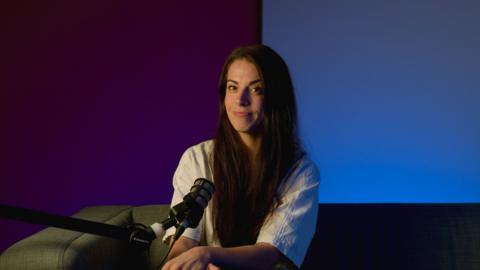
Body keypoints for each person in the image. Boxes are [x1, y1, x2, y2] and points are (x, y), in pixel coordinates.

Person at [161, 45, 319, 270]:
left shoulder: (300, 171)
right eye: (232, 88)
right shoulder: (197, 158)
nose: (240, 100)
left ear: (276, 96)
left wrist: (208, 254)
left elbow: (270, 252)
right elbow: (184, 239)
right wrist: (182, 263)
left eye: (256, 90)